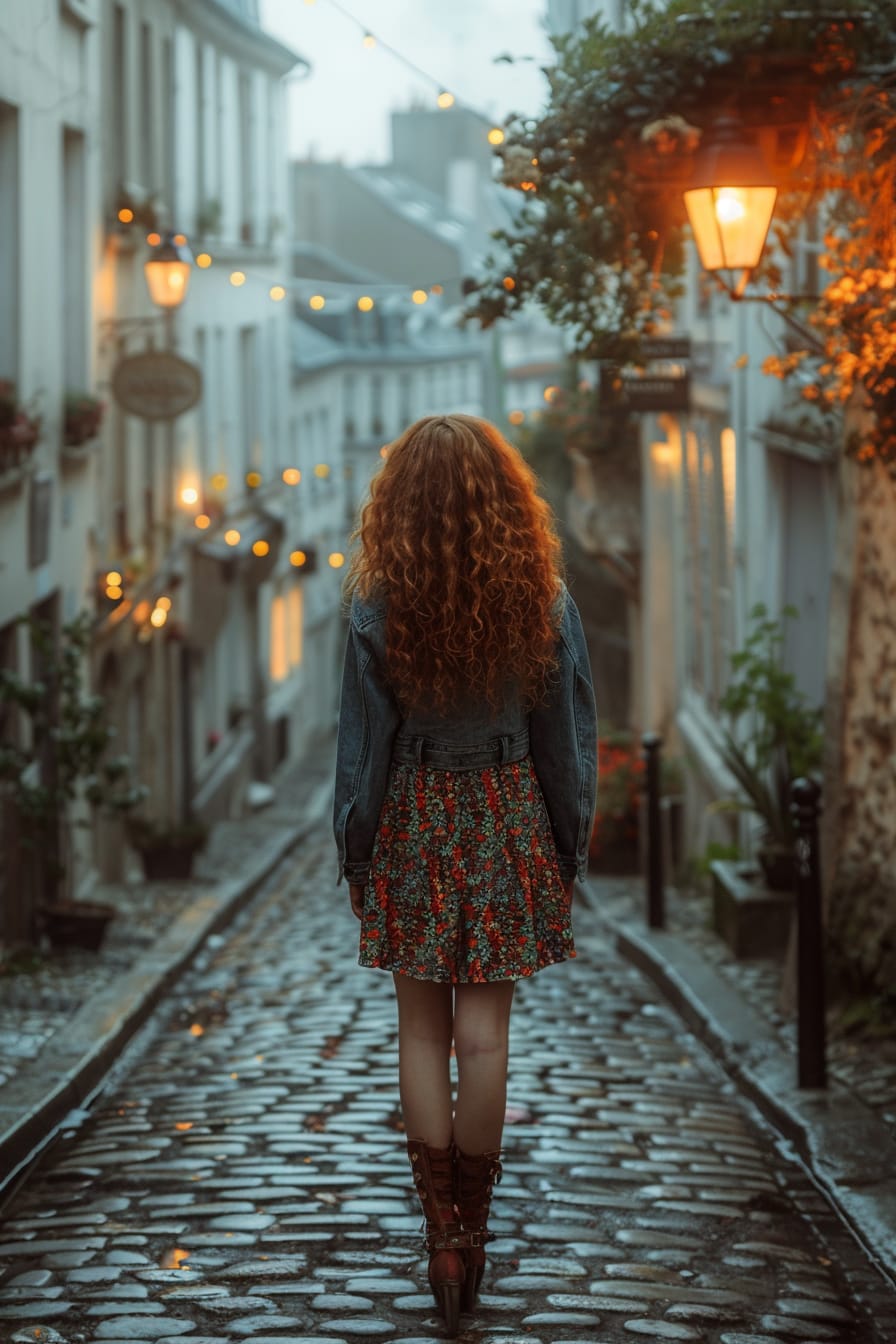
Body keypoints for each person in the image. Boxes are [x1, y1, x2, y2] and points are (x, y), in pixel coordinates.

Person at [333, 413, 597, 1336]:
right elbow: (566, 741)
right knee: (484, 1041)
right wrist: (568, 845)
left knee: (421, 1033)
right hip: (504, 812)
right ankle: (476, 1232)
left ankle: (438, 1230)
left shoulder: (377, 603)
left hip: (413, 813)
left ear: (397, 501)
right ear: (506, 500)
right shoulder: (541, 597)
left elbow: (361, 751)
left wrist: (356, 849)